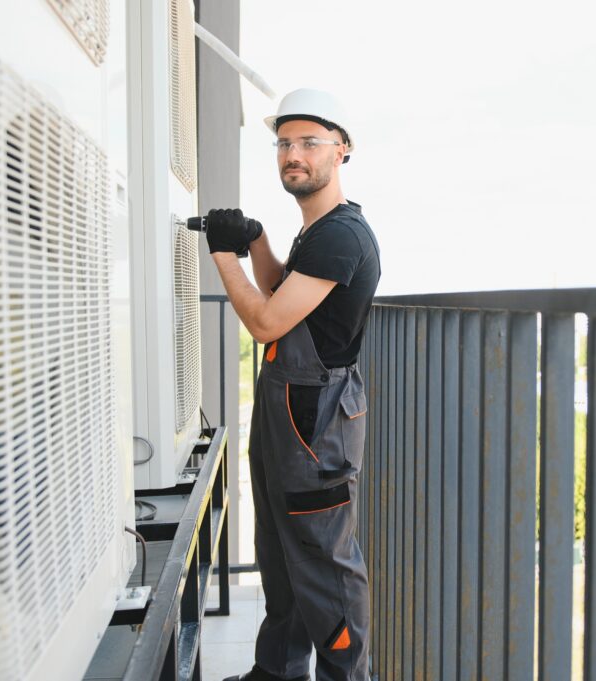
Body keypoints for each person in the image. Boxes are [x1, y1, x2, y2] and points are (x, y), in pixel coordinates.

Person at [206, 88, 380, 681]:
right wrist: (256, 243)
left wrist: (224, 255)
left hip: (316, 426)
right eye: (284, 143)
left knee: (323, 565)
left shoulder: (342, 236)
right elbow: (284, 289)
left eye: (309, 142)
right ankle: (276, 673)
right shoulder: (317, 233)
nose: (293, 154)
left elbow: (265, 320)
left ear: (343, 149)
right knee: (282, 559)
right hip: (290, 415)